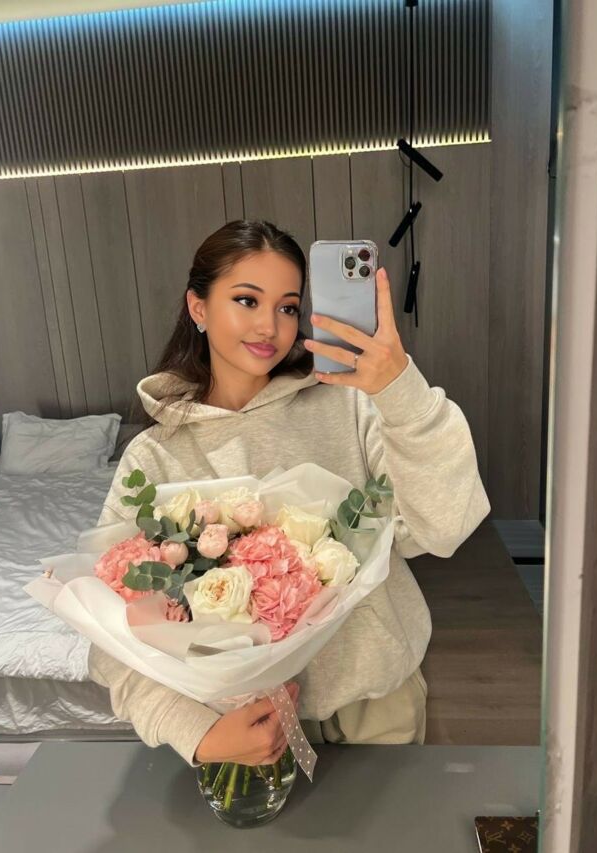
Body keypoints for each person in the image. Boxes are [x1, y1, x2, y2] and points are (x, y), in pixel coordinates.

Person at [88, 219, 490, 769]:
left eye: (288, 307)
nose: (270, 326)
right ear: (198, 308)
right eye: (247, 300)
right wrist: (197, 733)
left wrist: (401, 391)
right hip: (242, 728)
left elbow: (444, 529)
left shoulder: (350, 407)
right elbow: (112, 630)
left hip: (375, 706)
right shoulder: (155, 457)